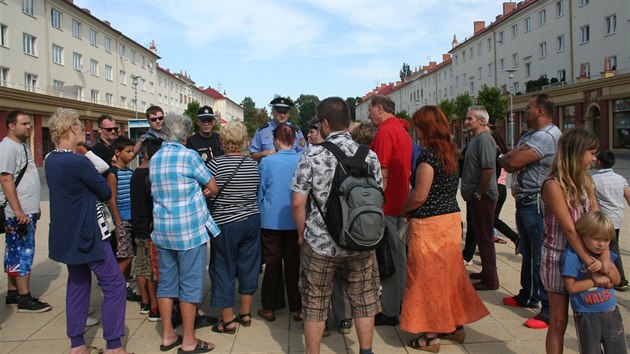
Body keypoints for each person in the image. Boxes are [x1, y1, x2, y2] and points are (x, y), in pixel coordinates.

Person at [291, 97, 382, 354]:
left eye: (318, 122)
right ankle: (366, 350)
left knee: (315, 301)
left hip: (320, 243)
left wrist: (301, 233)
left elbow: (298, 203)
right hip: (360, 241)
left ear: (326, 123)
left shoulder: (312, 155)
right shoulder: (369, 155)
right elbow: (377, 197)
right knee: (364, 297)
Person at [400, 105, 489, 352]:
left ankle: (429, 335)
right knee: (450, 274)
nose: (415, 130)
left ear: (425, 127)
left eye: (417, 125)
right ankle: (454, 326)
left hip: (429, 224)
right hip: (450, 221)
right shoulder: (450, 152)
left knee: (426, 278)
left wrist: (404, 209)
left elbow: (419, 195)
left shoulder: (428, 157)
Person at [45, 108, 130, 354]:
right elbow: (105, 191)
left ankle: (77, 344)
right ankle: (114, 345)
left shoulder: (51, 159)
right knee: (114, 285)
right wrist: (86, 154)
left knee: (78, 284)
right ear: (71, 129)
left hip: (67, 233)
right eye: (81, 127)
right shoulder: (77, 160)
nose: (84, 131)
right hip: (89, 233)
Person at [150, 113, 218, 353]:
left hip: (163, 229)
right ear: (186, 135)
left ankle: (168, 334)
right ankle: (189, 340)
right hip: (188, 231)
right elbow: (212, 185)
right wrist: (201, 193)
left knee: (167, 283)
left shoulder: (155, 157)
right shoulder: (189, 156)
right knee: (190, 285)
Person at [540, 128, 610, 354]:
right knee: (558, 321)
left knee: (591, 319)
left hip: (587, 256)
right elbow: (569, 228)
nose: (593, 158)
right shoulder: (553, 184)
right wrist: (590, 261)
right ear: (576, 153)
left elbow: (599, 221)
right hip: (559, 257)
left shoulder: (586, 180)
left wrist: (605, 256)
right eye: (590, 153)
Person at [499, 93, 562, 328]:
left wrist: (515, 158)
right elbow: (510, 158)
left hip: (536, 203)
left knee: (540, 256)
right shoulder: (530, 135)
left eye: (528, 107)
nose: (524, 111)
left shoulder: (546, 137)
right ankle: (528, 294)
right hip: (525, 201)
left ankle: (546, 309)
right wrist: (514, 158)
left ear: (540, 112)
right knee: (527, 251)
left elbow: (511, 162)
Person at [208, 121, 261, 334]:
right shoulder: (252, 165)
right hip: (251, 219)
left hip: (225, 222)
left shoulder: (215, 165)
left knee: (223, 267)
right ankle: (246, 313)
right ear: (243, 141)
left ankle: (228, 320)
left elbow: (209, 190)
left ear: (223, 140)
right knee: (249, 265)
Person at [367, 94, 412, 326]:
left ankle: (391, 310)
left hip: (388, 205)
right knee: (400, 258)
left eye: (370, 110)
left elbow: (381, 171)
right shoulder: (402, 129)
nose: (368, 114)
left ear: (380, 108)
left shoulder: (385, 132)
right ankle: (403, 301)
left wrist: (375, 204)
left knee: (389, 259)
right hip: (401, 201)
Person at [0, 110, 50, 313]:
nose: (29, 127)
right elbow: (5, 179)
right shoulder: (7, 148)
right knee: (23, 252)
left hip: (26, 210)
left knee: (15, 251)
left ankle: (13, 292)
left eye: (29, 124)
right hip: (18, 213)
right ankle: (24, 298)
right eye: (24, 124)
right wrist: (19, 210)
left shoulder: (22, 146)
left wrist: (33, 206)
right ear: (11, 126)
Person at [562, 211, 626, 354]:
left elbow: (617, 280)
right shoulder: (571, 256)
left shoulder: (604, 255)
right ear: (583, 234)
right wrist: (594, 281)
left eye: (606, 240)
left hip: (611, 312)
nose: (601, 244)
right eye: (596, 239)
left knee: (618, 350)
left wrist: (606, 268)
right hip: (587, 316)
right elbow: (571, 287)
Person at [257, 123, 302, 323]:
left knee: (273, 263)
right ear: (293, 140)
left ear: (275, 140)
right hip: (295, 219)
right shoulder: (303, 160)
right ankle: (296, 306)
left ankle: (269, 307)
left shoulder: (268, 162)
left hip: (271, 220)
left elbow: (261, 191)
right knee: (294, 264)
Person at [461, 106, 499, 291]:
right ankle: (486, 272)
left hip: (482, 197)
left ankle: (490, 279)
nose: (467, 122)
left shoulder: (484, 139)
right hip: (476, 196)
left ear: (481, 121)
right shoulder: (475, 139)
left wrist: (478, 193)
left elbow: (488, 169)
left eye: (470, 119)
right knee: (480, 235)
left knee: (485, 238)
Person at [106, 136, 141, 303]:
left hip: (132, 219)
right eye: (128, 152)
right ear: (117, 153)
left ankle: (124, 286)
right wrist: (118, 221)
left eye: (132, 151)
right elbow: (111, 199)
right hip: (123, 221)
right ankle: (112, 285)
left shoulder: (130, 172)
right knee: (125, 256)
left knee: (129, 256)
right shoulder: (113, 174)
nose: (132, 155)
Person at [130, 138, 162, 321]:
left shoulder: (136, 173)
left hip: (139, 225)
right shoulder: (151, 175)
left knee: (141, 267)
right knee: (151, 270)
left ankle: (145, 302)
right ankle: (154, 307)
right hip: (150, 227)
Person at [592, 150, 630, 291]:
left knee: (610, 248)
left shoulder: (594, 179)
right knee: (611, 246)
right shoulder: (620, 178)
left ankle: (620, 280)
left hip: (604, 220)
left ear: (599, 162)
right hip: (618, 219)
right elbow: (628, 196)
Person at [490, 127, 519, 249]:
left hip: (496, 188)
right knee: (490, 220)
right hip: (502, 189)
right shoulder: (503, 153)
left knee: (491, 219)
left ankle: (515, 237)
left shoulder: (493, 151)